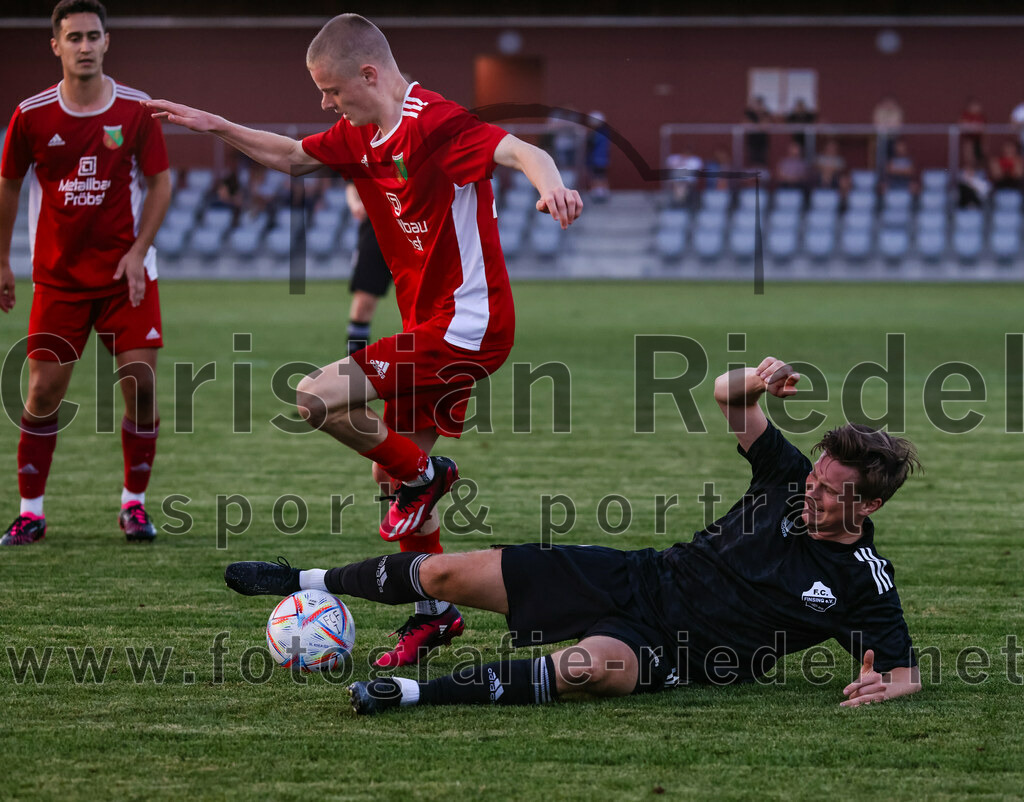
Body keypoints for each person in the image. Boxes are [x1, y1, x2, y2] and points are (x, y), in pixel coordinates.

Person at [145, 13, 582, 667]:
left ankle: (427, 476)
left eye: (331, 90)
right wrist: (216, 125)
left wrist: (554, 189)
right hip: (431, 327)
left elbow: (524, 151)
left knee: (316, 397)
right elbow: (292, 156)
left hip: (468, 324)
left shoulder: (434, 123)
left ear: (369, 74)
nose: (326, 103)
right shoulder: (360, 135)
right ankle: (435, 614)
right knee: (389, 472)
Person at [225, 354, 924, 716]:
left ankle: (406, 694)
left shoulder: (863, 580)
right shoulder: (786, 476)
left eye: (830, 491)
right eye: (816, 478)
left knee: (588, 671)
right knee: (443, 574)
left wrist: (891, 687)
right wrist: (760, 378)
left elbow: (901, 671)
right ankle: (302, 581)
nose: (812, 491)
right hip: (635, 576)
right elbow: (726, 395)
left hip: (679, 650)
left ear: (869, 505)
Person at [0, 0, 171, 546]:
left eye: (93, 36)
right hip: (59, 279)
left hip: (128, 275)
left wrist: (138, 250)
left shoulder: (137, 109)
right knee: (43, 392)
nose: (85, 46)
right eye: (73, 37)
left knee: (141, 386)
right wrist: (2, 260)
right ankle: (30, 512)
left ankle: (134, 505)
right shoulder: (31, 115)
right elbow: (8, 186)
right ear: (56, 45)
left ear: (106, 42)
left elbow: (161, 184)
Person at [343, 182, 391, 357]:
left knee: (423, 308)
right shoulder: (372, 161)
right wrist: (355, 203)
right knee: (363, 305)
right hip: (376, 227)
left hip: (417, 225)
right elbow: (352, 181)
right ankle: (355, 363)